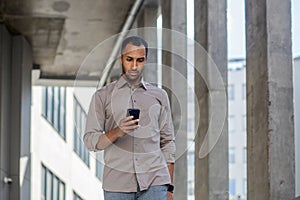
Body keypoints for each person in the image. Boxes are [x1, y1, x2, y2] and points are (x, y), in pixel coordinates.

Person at [84, 36, 175, 200]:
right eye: (129, 59)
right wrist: (117, 132)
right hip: (117, 185)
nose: (134, 66)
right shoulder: (102, 96)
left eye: (140, 60)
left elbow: (167, 141)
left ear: (146, 61)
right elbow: (90, 141)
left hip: (155, 184)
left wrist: (169, 187)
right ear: (121, 59)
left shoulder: (159, 96)